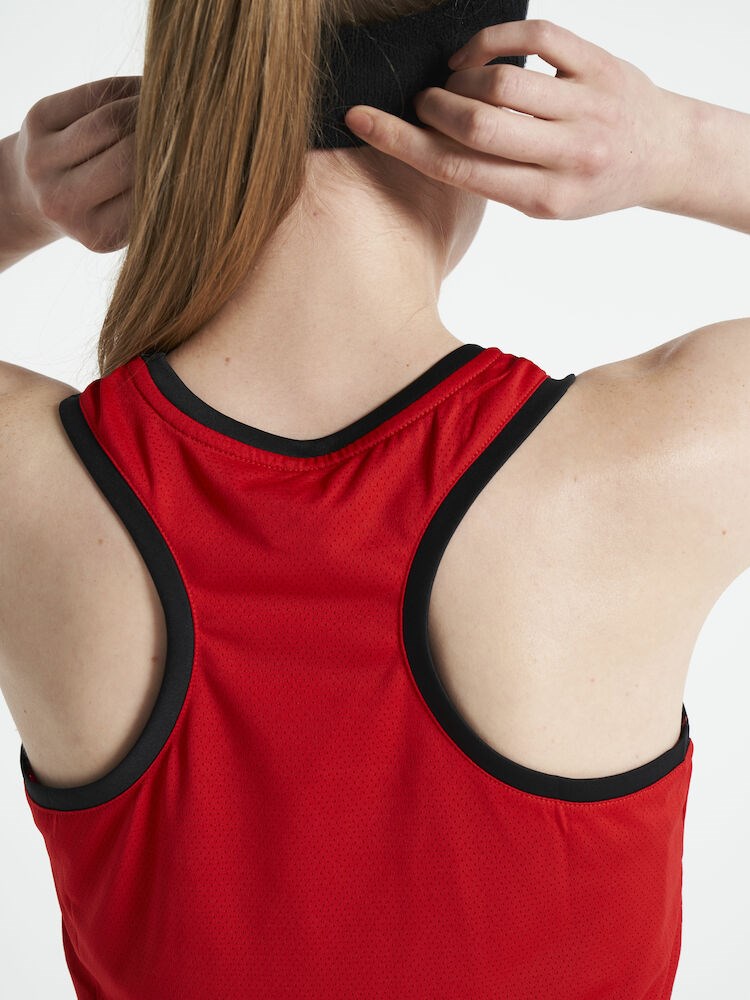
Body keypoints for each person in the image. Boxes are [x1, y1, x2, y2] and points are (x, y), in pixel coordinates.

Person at [0, 3, 747, 998]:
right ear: (491, 110)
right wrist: (680, 148)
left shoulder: (34, 488)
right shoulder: (646, 467)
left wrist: (21, 192)